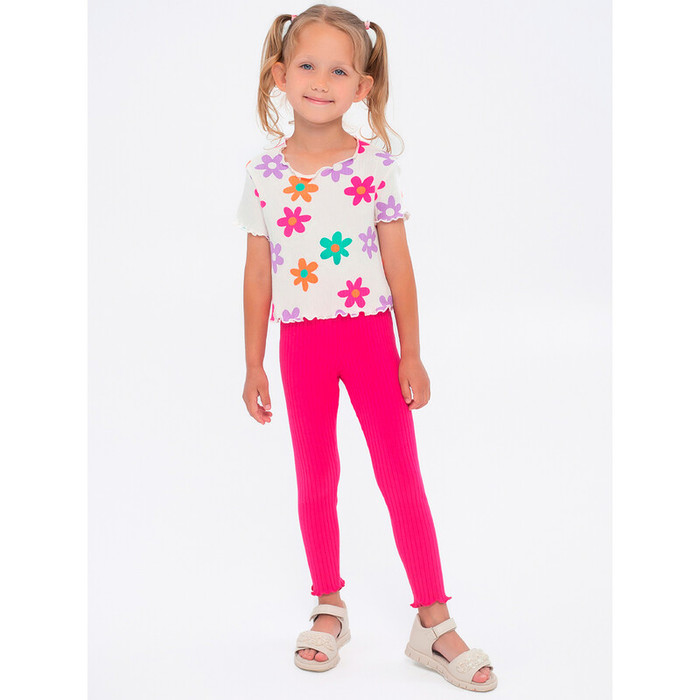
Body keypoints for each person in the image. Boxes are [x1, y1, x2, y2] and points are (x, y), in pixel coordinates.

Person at [234, 4, 497, 692]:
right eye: (307, 66)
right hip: (302, 346)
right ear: (279, 76)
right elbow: (258, 274)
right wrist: (253, 362)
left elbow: (400, 265)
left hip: (371, 338)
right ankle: (329, 604)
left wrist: (412, 352)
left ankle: (433, 621)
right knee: (316, 476)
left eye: (339, 71)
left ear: (363, 87)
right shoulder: (264, 173)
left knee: (400, 474)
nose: (321, 82)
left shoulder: (373, 167)